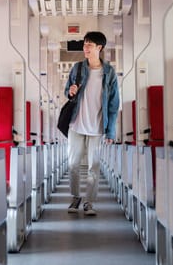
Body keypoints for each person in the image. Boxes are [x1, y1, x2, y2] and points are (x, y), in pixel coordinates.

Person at [64, 31, 119, 216]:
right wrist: (70, 91)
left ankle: (89, 202)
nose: (85, 47)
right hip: (76, 125)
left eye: (90, 44)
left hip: (97, 127)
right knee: (73, 164)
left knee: (93, 166)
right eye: (85, 44)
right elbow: (67, 91)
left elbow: (113, 104)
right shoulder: (77, 68)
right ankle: (75, 197)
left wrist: (111, 131)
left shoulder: (109, 73)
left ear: (99, 48)